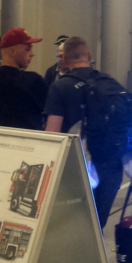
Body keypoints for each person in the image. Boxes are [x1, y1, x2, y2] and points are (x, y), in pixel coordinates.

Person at [44, 36, 122, 229]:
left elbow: (52, 135)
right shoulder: (110, 82)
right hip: (112, 168)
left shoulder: (60, 87)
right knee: (97, 228)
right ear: (89, 56)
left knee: (73, 230)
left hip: (78, 171)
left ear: (65, 60)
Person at [0, 28, 48, 130]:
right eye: (28, 48)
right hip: (30, 142)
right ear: (12, 52)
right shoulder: (33, 81)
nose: (32, 53)